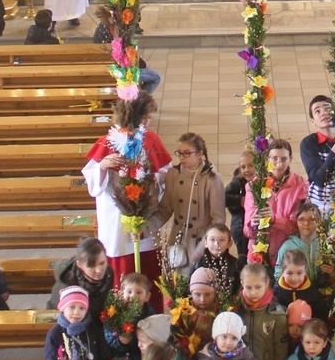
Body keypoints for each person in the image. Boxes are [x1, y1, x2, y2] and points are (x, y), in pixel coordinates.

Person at [82, 91, 172, 312]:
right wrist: (103, 165)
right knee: (119, 269)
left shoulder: (151, 140)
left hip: (144, 215)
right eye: (146, 118)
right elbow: (92, 179)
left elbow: (166, 172)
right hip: (115, 219)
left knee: (147, 269)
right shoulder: (109, 141)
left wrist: (153, 177)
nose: (148, 123)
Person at [149, 132, 225, 271]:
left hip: (202, 240)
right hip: (178, 240)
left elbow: (218, 220)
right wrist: (145, 228)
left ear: (199, 154)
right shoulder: (173, 174)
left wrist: (205, 246)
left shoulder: (212, 178)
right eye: (179, 153)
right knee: (178, 287)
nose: (182, 157)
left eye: (187, 153)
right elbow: (164, 210)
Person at [243, 139, 308, 262]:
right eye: (274, 158)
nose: (279, 164)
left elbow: (297, 228)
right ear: (267, 158)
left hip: (288, 256)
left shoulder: (301, 185)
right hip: (258, 254)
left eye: (284, 159)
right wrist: (252, 224)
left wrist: (275, 219)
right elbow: (247, 232)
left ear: (290, 159)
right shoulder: (254, 185)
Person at [300, 95, 335, 215]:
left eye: (327, 108)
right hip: (321, 209)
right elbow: (319, 179)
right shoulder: (309, 143)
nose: (324, 113)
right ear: (313, 121)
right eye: (317, 111)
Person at [48, 237, 115, 326]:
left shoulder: (108, 272)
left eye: (102, 263)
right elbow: (63, 322)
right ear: (79, 265)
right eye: (91, 266)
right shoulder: (66, 286)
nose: (99, 270)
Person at [93, 21, 162, 94]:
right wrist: (143, 65)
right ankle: (139, 101)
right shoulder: (118, 28)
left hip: (100, 68)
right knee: (156, 76)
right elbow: (125, 53)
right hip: (118, 73)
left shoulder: (102, 25)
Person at [103, 272, 154, 360]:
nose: (133, 296)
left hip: (143, 358)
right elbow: (109, 339)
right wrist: (120, 342)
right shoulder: (115, 315)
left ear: (147, 296)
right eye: (129, 292)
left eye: (139, 292)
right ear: (122, 294)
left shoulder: (150, 314)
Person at [189, 223, 245, 298]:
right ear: (205, 243)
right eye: (212, 240)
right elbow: (189, 290)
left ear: (229, 243)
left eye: (222, 240)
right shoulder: (197, 263)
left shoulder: (236, 264)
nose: (216, 244)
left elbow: (239, 291)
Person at [274, 201, 324, 283]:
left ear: (319, 222)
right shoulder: (288, 246)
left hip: (322, 291)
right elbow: (278, 271)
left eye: (312, 220)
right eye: (301, 220)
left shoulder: (325, 245)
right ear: (296, 222)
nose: (306, 223)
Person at [273, 249, 323, 319]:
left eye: (299, 273)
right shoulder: (276, 293)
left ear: (305, 271)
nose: (294, 278)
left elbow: (319, 316)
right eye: (289, 273)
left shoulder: (313, 292)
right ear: (282, 272)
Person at [225, 148, 256, 258]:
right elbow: (224, 197)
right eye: (243, 167)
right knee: (243, 256)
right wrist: (240, 200)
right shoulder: (238, 182)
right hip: (240, 228)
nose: (247, 169)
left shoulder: (263, 182)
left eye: (250, 165)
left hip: (257, 227)